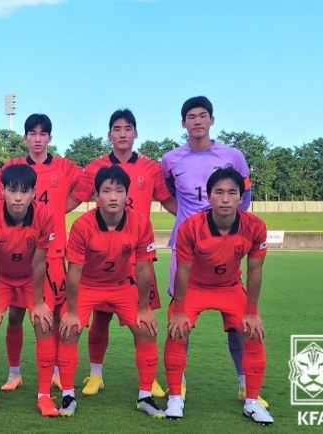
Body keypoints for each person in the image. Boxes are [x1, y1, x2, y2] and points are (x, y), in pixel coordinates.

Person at [161, 96, 267, 407]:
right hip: (187, 244)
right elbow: (167, 193)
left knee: (239, 320)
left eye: (203, 115)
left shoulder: (232, 156)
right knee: (180, 314)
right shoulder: (170, 159)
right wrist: (187, 219)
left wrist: (228, 222)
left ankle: (244, 382)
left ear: (212, 120)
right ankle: (177, 383)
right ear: (183, 124)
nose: (197, 121)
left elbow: (243, 194)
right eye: (191, 117)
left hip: (225, 244)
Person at [66, 108, 177, 396]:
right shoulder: (94, 168)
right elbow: (74, 198)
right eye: (117, 128)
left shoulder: (151, 168)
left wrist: (202, 219)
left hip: (137, 257)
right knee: (99, 320)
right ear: (109, 134)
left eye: (128, 128)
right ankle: (95, 375)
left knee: (144, 321)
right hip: (101, 257)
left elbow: (169, 201)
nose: (123, 133)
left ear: (136, 133)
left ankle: (148, 378)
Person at [163, 168, 273, 425]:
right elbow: (183, 270)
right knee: (177, 330)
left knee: (253, 332)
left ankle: (252, 401)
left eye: (232, 193)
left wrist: (251, 311)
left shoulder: (255, 226)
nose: (225, 198)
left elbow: (255, 270)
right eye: (219, 192)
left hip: (230, 287)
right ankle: (175, 397)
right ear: (209, 197)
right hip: (195, 288)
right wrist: (178, 311)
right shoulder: (191, 227)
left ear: (240, 197)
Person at [58, 165, 164, 418]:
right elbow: (73, 272)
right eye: (107, 190)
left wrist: (144, 307)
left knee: (146, 330)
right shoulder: (82, 225)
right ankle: (67, 396)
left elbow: (143, 268)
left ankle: (145, 396)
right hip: (87, 285)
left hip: (121, 286)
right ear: (97, 196)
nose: (113, 196)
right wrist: (71, 311)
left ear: (127, 195)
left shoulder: (140, 223)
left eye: (119, 190)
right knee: (69, 329)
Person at [0, 113, 83, 391]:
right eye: (32, 134)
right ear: (25, 138)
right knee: (15, 315)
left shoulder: (64, 167)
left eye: (42, 134)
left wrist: (61, 208)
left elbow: (87, 185)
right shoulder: (12, 166)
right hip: (19, 254)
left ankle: (57, 370)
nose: (37, 139)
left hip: (54, 253)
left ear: (50, 138)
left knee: (55, 315)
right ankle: (14, 372)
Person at [0, 164, 57, 417]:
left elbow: (39, 261)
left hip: (32, 278)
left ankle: (44, 396)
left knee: (44, 322)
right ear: (2, 191)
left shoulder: (45, 215)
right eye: (12, 191)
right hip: (1, 278)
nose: (18, 197)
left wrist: (40, 301)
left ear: (34, 192)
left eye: (24, 191)